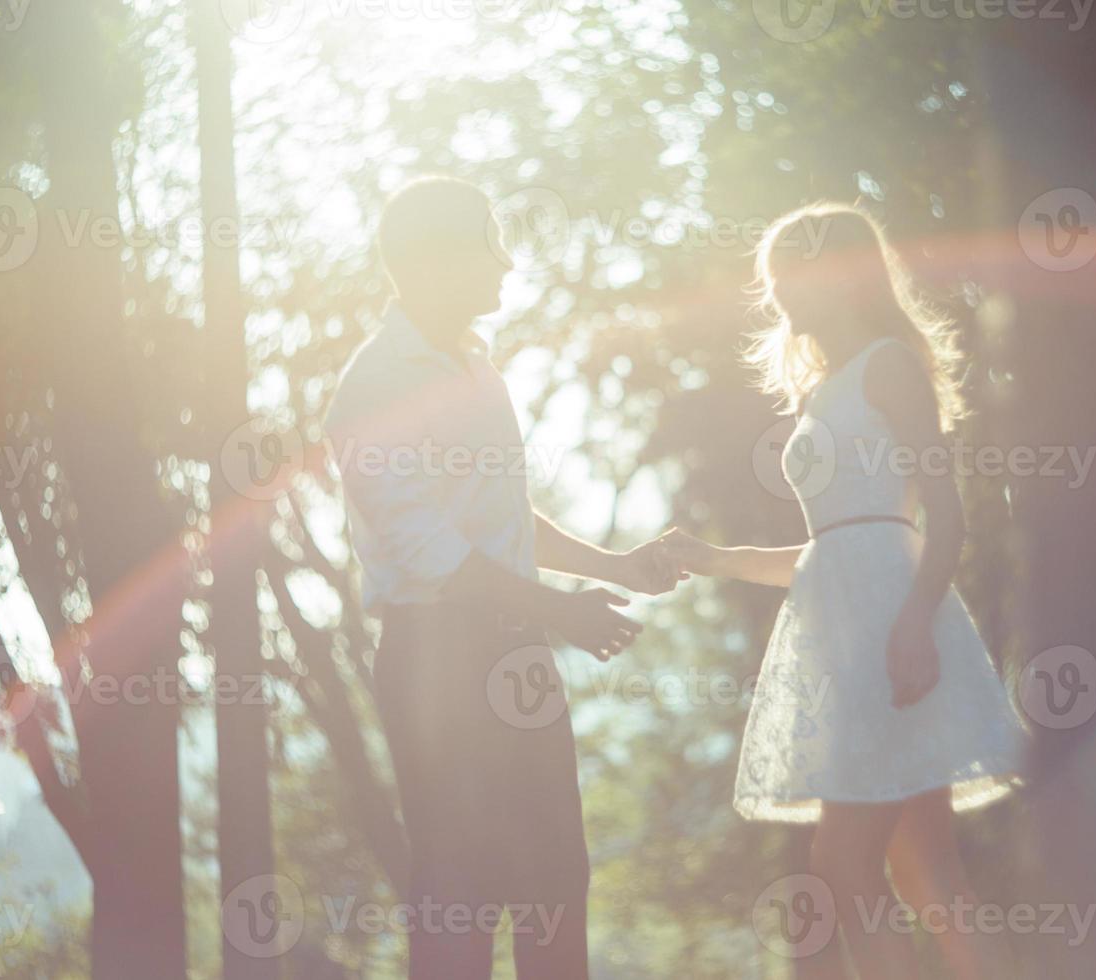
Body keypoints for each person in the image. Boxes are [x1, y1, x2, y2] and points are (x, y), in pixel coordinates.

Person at [322, 177, 681, 979]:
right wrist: (565, 612)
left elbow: (502, 524)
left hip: (515, 651)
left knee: (555, 873)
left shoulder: (477, 369)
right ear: (439, 259)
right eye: (490, 241)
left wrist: (612, 567)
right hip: (435, 660)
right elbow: (436, 559)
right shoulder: (374, 385)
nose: (507, 262)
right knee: (461, 892)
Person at [663, 202, 1024, 979]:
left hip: (892, 628)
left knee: (846, 862)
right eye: (773, 279)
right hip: (837, 629)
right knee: (927, 874)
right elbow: (828, 548)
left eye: (796, 275)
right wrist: (711, 558)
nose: (782, 293)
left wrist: (913, 626)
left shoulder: (887, 365)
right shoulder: (817, 392)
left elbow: (946, 516)